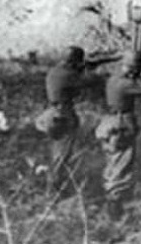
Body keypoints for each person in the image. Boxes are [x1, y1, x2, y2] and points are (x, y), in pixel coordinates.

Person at [95, 52, 141, 221]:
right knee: (121, 164)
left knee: (113, 163)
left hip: (110, 122)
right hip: (121, 124)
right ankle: (115, 211)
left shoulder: (114, 79)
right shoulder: (124, 83)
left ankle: (112, 204)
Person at [38, 46, 98, 197]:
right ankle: (55, 192)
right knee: (62, 155)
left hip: (52, 113)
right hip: (63, 115)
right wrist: (87, 70)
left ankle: (56, 188)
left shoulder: (55, 71)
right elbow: (90, 84)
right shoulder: (69, 75)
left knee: (58, 153)